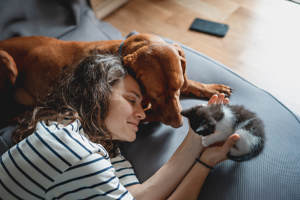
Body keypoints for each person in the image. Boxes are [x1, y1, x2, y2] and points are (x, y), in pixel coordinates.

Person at [0, 53, 239, 200]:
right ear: (98, 93)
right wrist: (204, 165)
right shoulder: (75, 152)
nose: (141, 113)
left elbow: (140, 195)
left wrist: (197, 143)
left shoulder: (100, 145)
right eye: (131, 99)